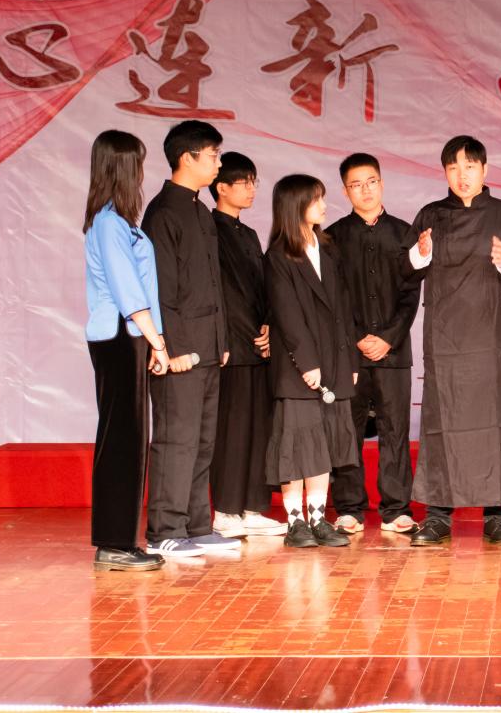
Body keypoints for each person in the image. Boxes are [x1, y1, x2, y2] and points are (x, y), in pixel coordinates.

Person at [404, 135, 501, 547]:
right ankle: (437, 516)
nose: (462, 175)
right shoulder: (431, 215)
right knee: (441, 421)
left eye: (469, 167)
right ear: (445, 172)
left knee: (496, 424)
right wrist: (420, 253)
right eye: (453, 168)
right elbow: (404, 269)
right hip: (447, 342)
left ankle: (497, 516)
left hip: (495, 340)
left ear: (485, 170)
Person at [142, 121, 238, 559]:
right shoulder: (164, 212)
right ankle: (165, 529)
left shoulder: (200, 211)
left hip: (208, 346)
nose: (218, 163)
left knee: (202, 441)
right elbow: (161, 288)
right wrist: (172, 349)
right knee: (175, 439)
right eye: (213, 155)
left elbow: (212, 284)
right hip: (181, 351)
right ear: (188, 157)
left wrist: (221, 338)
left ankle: (197, 525)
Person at [83, 130, 168, 572]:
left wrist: (152, 338)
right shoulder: (108, 224)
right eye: (138, 163)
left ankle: (119, 540)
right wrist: (156, 340)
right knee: (122, 439)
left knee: (132, 438)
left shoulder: (121, 222)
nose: (141, 172)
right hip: (119, 335)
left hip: (130, 336)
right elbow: (126, 289)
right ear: (122, 168)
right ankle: (114, 543)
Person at [326, 153, 421, 535]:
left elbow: (411, 294)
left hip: (393, 353)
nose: (364, 191)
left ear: (381, 184)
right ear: (345, 190)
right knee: (346, 430)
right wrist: (356, 338)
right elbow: (331, 297)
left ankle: (396, 509)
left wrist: (388, 338)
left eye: (371, 182)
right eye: (356, 185)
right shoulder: (331, 238)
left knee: (394, 429)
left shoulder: (405, 234)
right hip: (348, 355)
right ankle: (349, 508)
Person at [264, 174, 359, 549]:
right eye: (316, 199)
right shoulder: (279, 255)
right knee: (296, 444)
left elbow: (344, 308)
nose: (323, 205)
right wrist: (306, 363)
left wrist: (350, 360)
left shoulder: (328, 248)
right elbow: (287, 314)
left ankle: (318, 519)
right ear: (295, 206)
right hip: (297, 368)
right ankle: (295, 522)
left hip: (334, 360)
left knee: (322, 444)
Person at [209, 153, 284, 539]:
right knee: (233, 429)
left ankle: (254, 507)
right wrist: (242, 336)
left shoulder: (250, 234)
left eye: (254, 181)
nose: (252, 189)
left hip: (259, 347)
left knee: (260, 428)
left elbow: (262, 289)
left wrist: (269, 326)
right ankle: (226, 509)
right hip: (231, 348)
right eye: (244, 182)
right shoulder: (209, 230)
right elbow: (221, 295)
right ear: (222, 187)